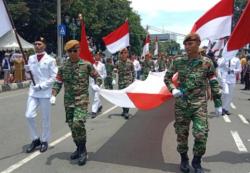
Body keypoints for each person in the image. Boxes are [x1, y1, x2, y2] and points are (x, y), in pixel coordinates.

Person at [164, 33, 222, 173]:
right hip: (182, 105)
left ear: (198, 44)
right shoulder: (178, 61)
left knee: (201, 133)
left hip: (199, 105)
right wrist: (173, 89)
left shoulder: (207, 63)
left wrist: (218, 103)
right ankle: (184, 159)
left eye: (190, 44)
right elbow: (167, 78)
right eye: (185, 44)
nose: (187, 47)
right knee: (181, 134)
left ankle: (196, 162)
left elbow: (213, 82)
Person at [51, 40, 101, 166]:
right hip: (68, 101)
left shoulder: (86, 65)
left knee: (78, 123)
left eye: (75, 50)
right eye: (70, 51)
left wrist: (97, 84)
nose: (72, 53)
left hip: (82, 99)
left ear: (79, 51)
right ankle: (78, 147)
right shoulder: (63, 67)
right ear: (67, 52)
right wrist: (53, 94)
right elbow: (58, 81)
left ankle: (83, 150)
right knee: (72, 126)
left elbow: (97, 76)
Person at [24, 36, 58, 153]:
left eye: (39, 44)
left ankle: (44, 140)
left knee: (45, 118)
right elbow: (29, 77)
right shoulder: (31, 58)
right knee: (29, 115)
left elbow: (54, 77)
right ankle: (35, 139)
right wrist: (27, 72)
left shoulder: (51, 60)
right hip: (33, 91)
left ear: (44, 46)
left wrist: (42, 85)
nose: (37, 46)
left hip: (44, 92)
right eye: (36, 44)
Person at [115, 48, 135, 119]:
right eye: (122, 53)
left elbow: (133, 72)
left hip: (128, 83)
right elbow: (115, 70)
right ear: (120, 54)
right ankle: (124, 110)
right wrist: (114, 77)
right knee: (122, 97)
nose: (123, 54)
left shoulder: (130, 62)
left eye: (125, 53)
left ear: (127, 54)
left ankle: (126, 111)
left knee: (127, 97)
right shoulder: (117, 63)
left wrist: (133, 81)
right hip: (120, 82)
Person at [90, 51, 107, 118]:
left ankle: (94, 111)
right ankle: (99, 106)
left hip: (99, 83)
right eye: (96, 55)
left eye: (98, 55)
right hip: (92, 83)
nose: (97, 57)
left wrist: (99, 77)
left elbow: (105, 74)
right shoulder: (91, 64)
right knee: (94, 96)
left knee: (96, 97)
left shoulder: (102, 65)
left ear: (100, 57)